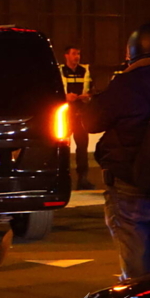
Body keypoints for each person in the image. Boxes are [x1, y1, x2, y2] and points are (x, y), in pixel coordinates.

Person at [82, 22, 150, 279]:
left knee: (136, 274)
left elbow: (91, 123)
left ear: (133, 51)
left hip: (129, 188)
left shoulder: (125, 84)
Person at [61, 46, 95, 190]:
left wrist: (88, 97)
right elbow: (52, 91)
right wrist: (65, 97)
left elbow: (92, 89)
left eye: (78, 54)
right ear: (66, 56)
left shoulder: (84, 71)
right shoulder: (60, 71)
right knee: (62, 145)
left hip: (81, 112)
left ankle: (83, 179)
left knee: (82, 146)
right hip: (64, 113)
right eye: (74, 54)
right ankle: (62, 178)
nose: (77, 57)